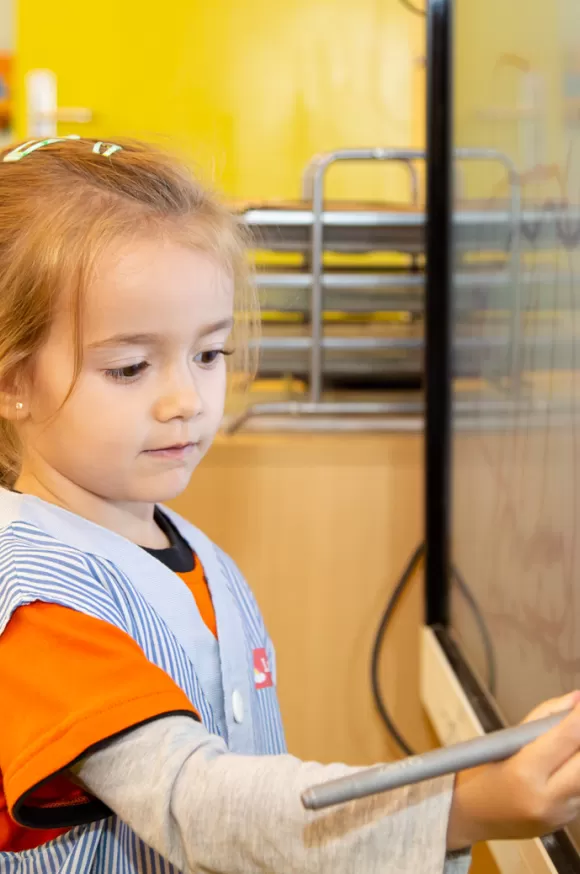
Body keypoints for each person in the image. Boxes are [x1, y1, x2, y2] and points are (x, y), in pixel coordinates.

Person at [0, 136, 579, 874]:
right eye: (131, 367)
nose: (185, 401)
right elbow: (198, 805)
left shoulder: (193, 552)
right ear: (14, 381)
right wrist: (461, 805)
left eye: (210, 355)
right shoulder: (38, 606)